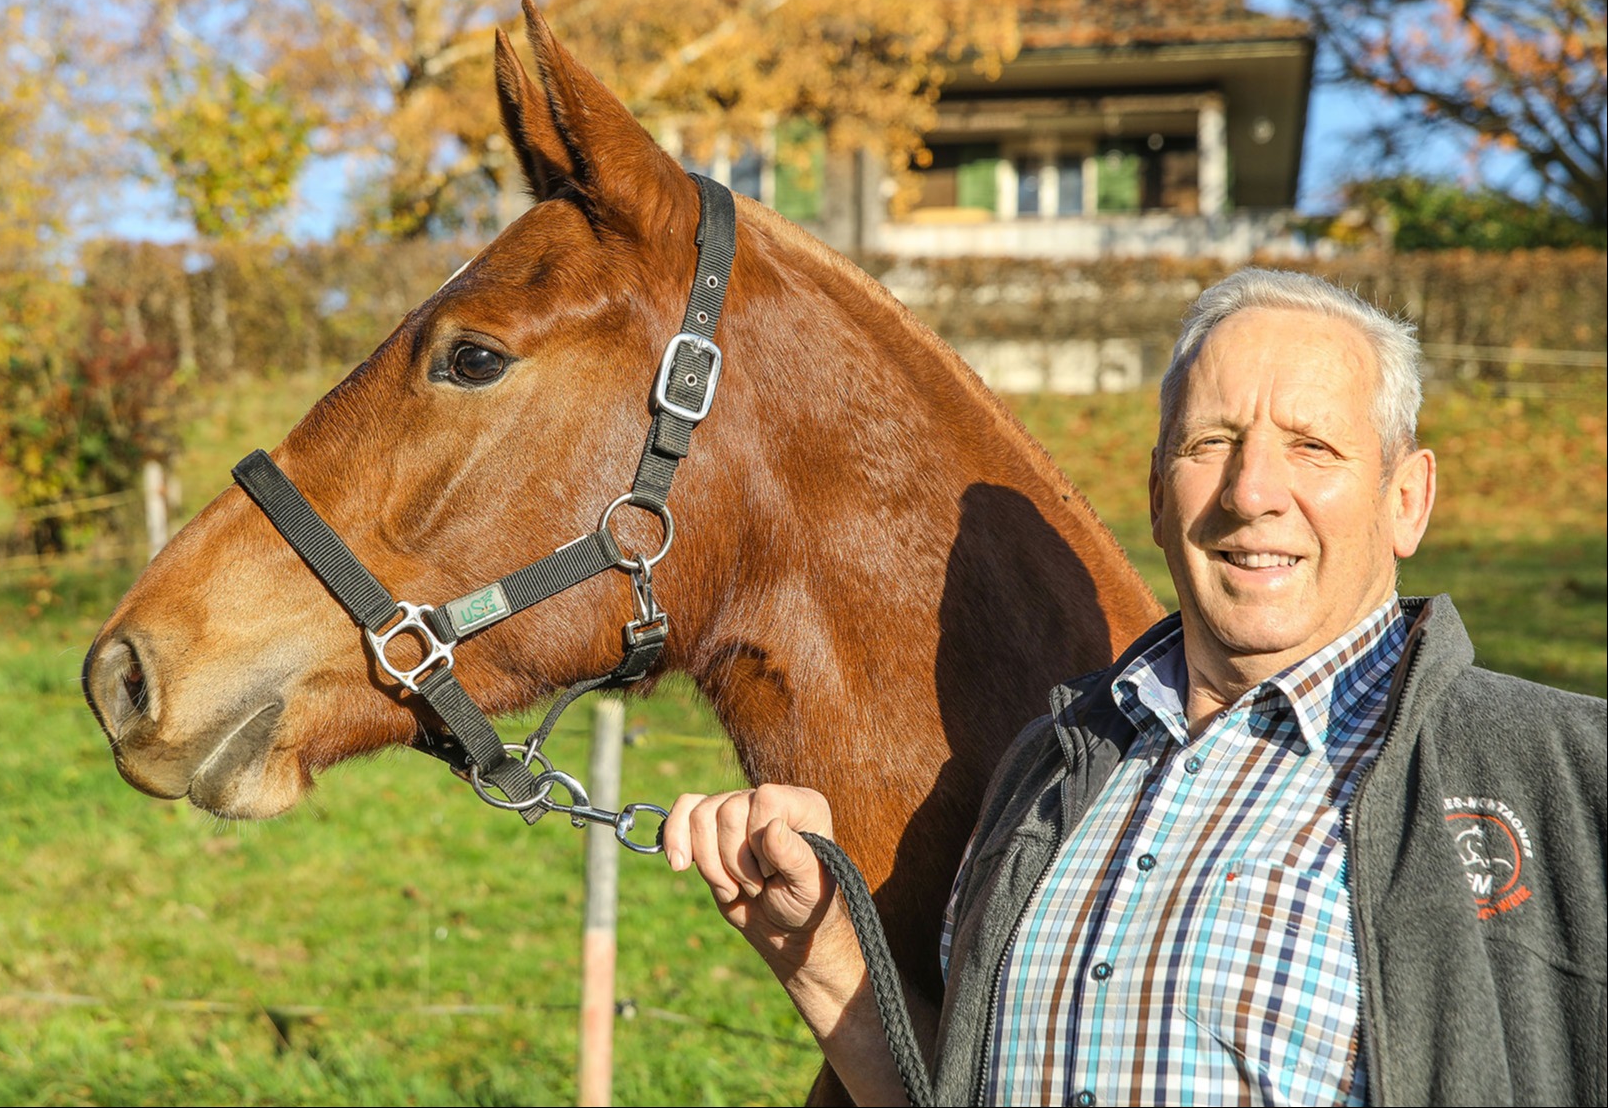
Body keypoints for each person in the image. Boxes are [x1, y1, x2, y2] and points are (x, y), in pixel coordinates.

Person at [663, 268, 1607, 1106]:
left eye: (1312, 448)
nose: (1250, 492)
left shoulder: (1550, 771)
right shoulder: (1054, 767)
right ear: (1157, 493)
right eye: (1211, 443)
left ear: (1407, 499)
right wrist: (823, 954)